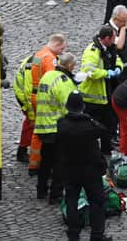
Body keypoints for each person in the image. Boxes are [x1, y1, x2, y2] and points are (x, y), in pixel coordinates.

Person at [57, 92, 111, 241]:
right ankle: (97, 235)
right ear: (83, 106)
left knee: (72, 201)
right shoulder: (90, 125)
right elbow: (104, 131)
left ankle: (73, 234)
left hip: (70, 170)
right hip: (91, 171)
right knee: (97, 202)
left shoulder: (62, 124)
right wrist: (88, 117)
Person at [34, 53, 78, 203]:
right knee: (60, 163)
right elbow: (68, 108)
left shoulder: (48, 75)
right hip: (56, 127)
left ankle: (41, 190)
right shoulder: (64, 81)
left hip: (43, 126)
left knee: (45, 161)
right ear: (70, 66)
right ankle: (56, 194)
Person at [79, 25, 123, 156]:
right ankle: (90, 150)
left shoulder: (109, 48)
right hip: (93, 97)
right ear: (107, 38)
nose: (115, 41)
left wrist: (118, 68)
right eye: (114, 38)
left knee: (109, 123)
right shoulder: (92, 51)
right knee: (93, 126)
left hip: (106, 93)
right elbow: (88, 70)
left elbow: (118, 59)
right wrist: (106, 73)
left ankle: (106, 147)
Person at [28, 33, 67, 173]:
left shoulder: (39, 54)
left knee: (36, 130)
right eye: (62, 49)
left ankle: (34, 162)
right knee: (44, 131)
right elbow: (52, 79)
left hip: (34, 94)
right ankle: (40, 163)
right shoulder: (50, 59)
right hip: (43, 97)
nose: (62, 52)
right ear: (56, 44)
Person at [13, 53, 35, 163]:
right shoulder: (33, 65)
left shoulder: (39, 59)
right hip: (23, 96)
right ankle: (22, 151)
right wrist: (31, 115)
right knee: (30, 124)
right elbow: (28, 92)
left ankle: (23, 150)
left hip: (23, 93)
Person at [107, 5, 127, 80]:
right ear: (115, 19)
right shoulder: (109, 29)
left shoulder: (125, 25)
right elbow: (119, 45)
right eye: (123, 21)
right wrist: (123, 29)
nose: (126, 23)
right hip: (117, 69)